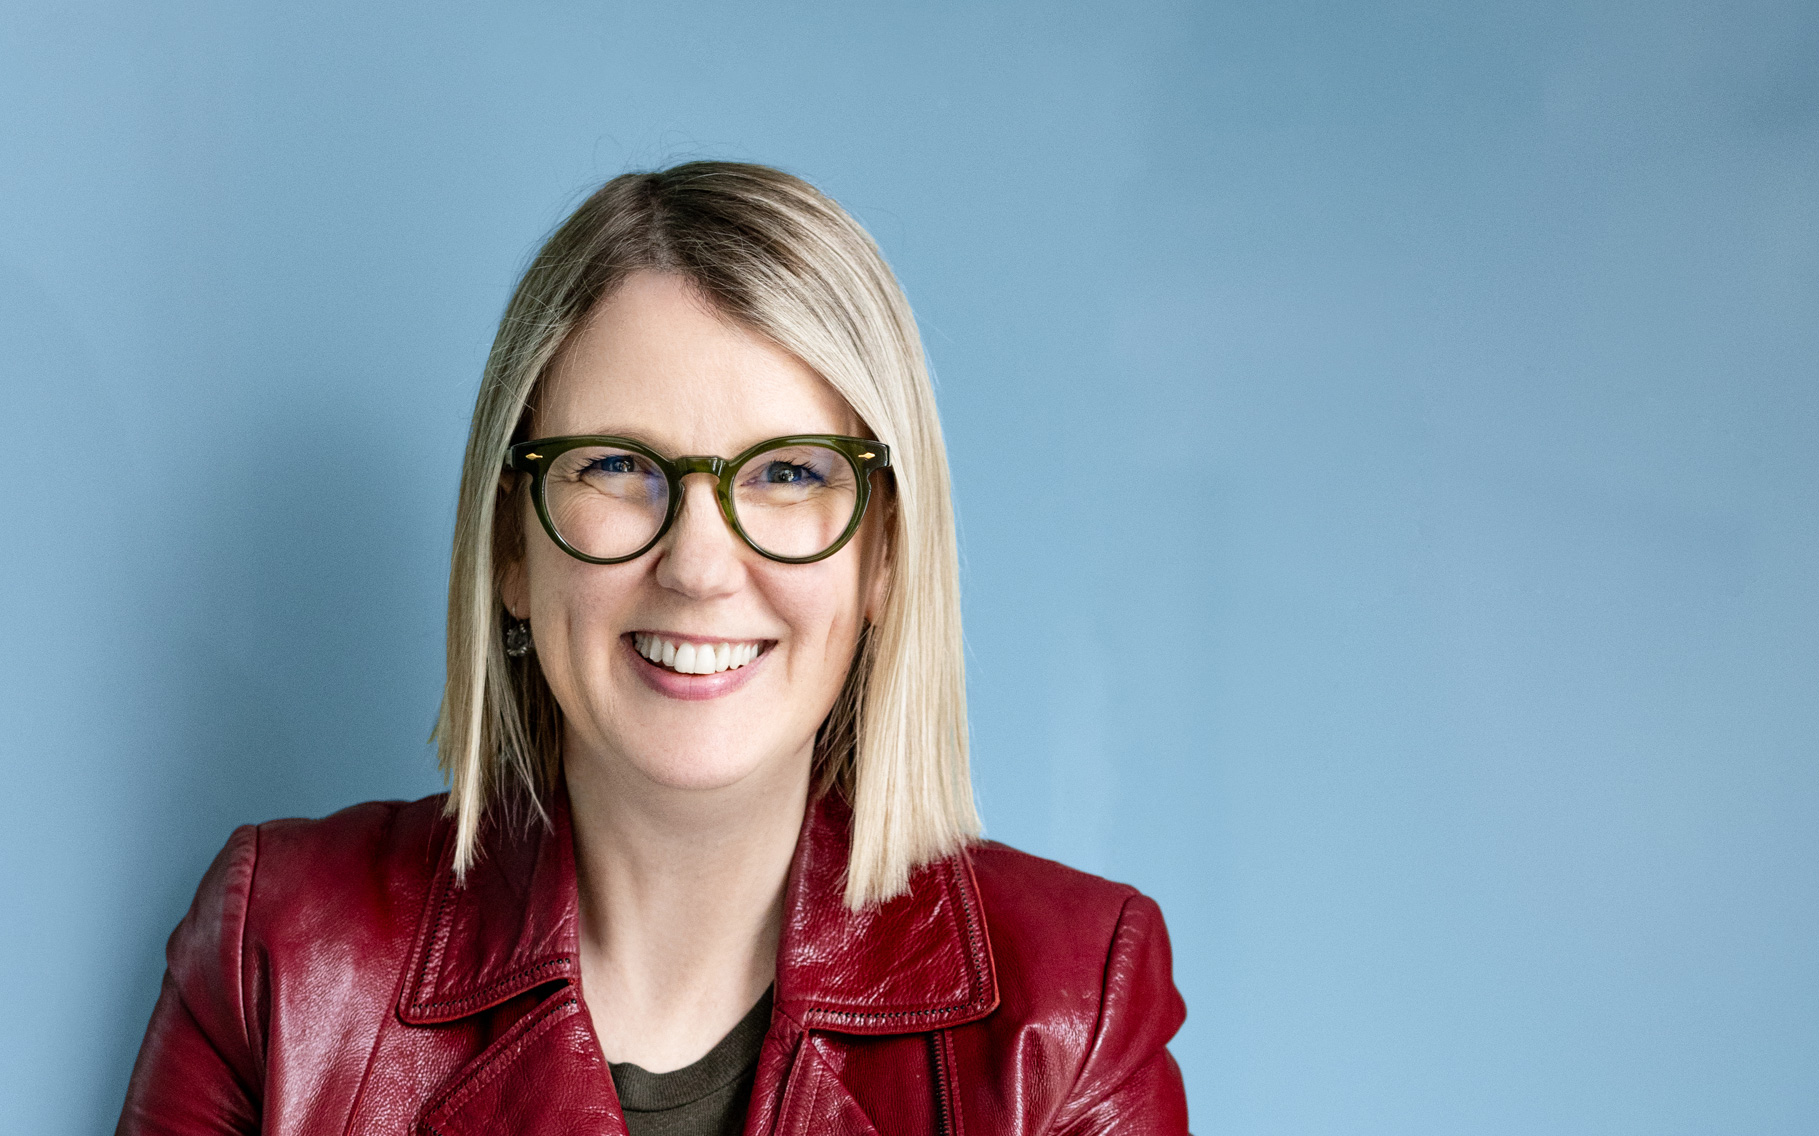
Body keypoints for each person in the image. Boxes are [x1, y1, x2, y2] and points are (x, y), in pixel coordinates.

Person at [117, 161, 1188, 1135]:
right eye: (620, 466)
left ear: (884, 559)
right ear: (510, 546)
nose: (699, 564)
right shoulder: (282, 954)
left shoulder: (1072, 1007)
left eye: (791, 473)